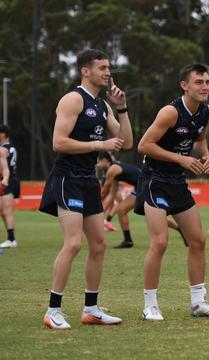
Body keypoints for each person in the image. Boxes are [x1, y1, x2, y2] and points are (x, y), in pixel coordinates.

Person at [39, 49, 133, 329]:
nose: (108, 72)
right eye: (102, 67)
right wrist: (99, 145)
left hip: (87, 180)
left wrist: (122, 108)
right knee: (74, 243)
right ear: (85, 71)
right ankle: (53, 311)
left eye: (109, 67)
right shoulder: (72, 99)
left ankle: (91, 309)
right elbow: (58, 142)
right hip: (67, 178)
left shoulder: (102, 106)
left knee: (100, 244)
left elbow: (126, 142)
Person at [136, 63, 209, 320]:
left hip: (177, 182)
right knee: (160, 243)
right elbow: (144, 145)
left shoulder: (207, 112)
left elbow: (199, 139)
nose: (205, 86)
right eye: (198, 82)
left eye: (207, 82)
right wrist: (181, 159)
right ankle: (149, 305)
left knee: (197, 240)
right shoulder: (170, 113)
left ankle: (198, 303)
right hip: (154, 180)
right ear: (184, 86)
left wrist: (206, 155)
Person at [96, 152, 188, 249]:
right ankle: (181, 229)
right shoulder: (114, 168)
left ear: (105, 160)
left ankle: (128, 240)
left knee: (122, 209)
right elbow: (112, 193)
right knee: (147, 214)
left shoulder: (112, 170)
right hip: (142, 185)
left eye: (99, 162)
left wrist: (96, 206)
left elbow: (105, 191)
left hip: (144, 185)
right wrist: (103, 210)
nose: (98, 165)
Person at [0, 125, 20, 248]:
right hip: (10, 180)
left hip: (8, 180)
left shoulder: (5, 149)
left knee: (6, 211)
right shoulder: (10, 147)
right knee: (3, 211)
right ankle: (11, 238)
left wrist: (5, 179)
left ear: (4, 134)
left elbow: (5, 169)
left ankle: (11, 239)